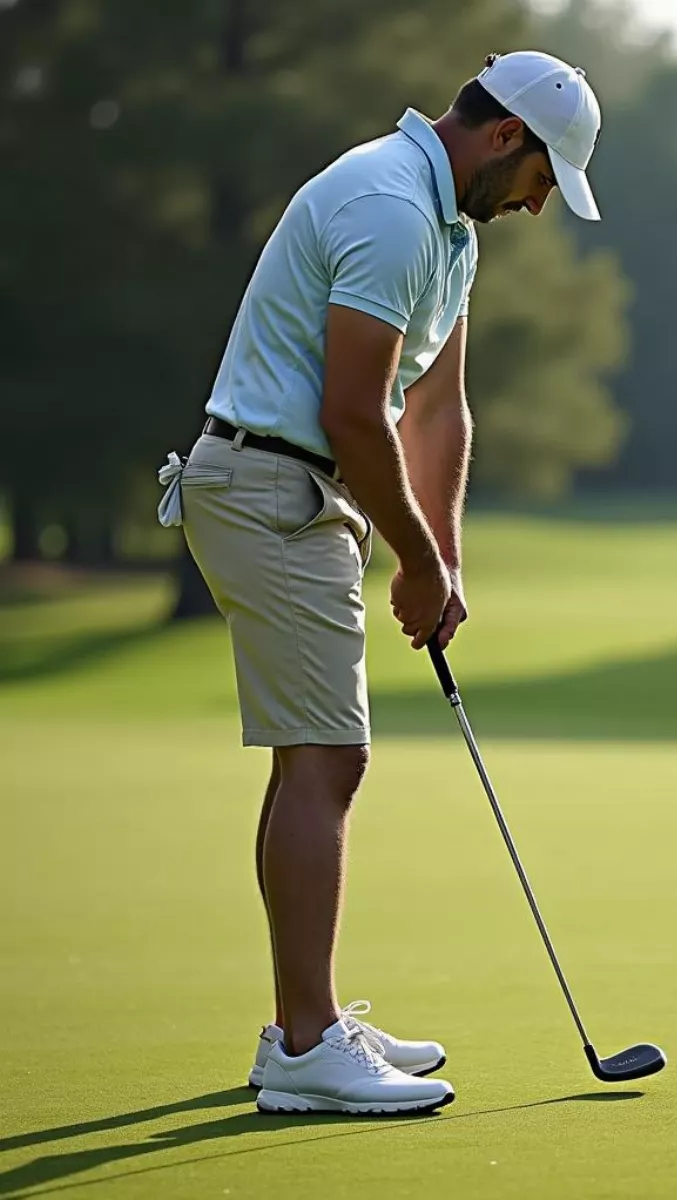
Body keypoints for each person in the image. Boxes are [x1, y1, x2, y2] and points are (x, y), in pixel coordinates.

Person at [156, 50, 602, 1116]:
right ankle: (308, 1046)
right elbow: (357, 413)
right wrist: (410, 557)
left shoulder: (447, 230)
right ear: (505, 138)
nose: (540, 205)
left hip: (301, 492)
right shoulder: (389, 205)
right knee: (330, 757)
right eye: (545, 177)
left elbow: (438, 410)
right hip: (270, 483)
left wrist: (438, 558)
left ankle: (302, 1026)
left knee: (315, 757)